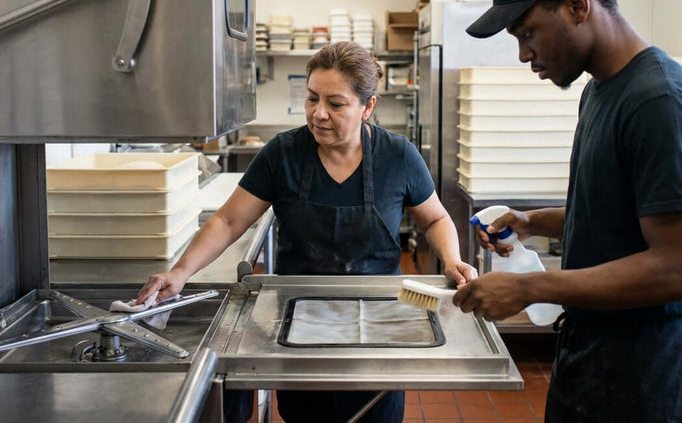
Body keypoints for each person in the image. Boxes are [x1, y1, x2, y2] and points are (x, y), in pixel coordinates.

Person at [454, 0, 682, 422]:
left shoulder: (660, 101)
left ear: (578, 5)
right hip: (597, 348)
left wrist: (531, 288)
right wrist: (535, 221)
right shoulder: (601, 91)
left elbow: (679, 269)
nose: (523, 54)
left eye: (528, 33)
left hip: (650, 364)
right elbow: (615, 211)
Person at [136, 41, 477, 423]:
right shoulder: (283, 153)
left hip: (379, 324)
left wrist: (452, 259)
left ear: (368, 107)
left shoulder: (398, 156)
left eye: (335, 104)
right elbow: (229, 221)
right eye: (312, 99)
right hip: (297, 326)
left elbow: (435, 219)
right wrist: (180, 272)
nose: (318, 114)